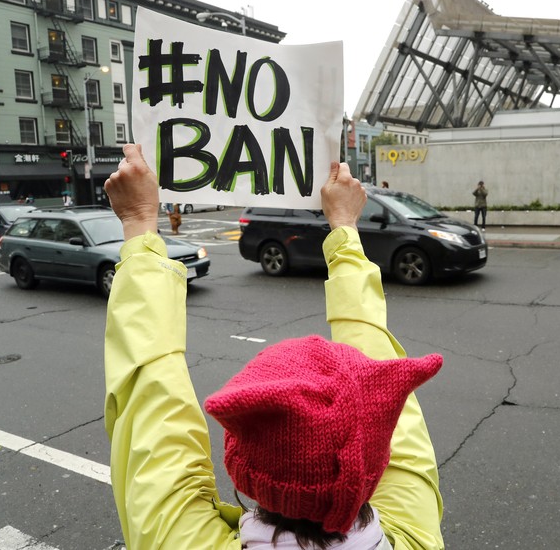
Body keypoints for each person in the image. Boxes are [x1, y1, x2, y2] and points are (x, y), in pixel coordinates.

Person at [103, 144, 445, 550]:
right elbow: (374, 362)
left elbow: (152, 408)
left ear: (242, 462)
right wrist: (345, 228)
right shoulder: (415, 532)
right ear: (378, 451)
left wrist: (140, 221)